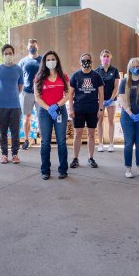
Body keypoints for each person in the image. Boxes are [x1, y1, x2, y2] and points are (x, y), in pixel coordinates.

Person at [34, 50, 70, 180]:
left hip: (60, 110)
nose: (51, 62)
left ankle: (63, 170)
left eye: (53, 59)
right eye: (48, 60)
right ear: (44, 62)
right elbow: (37, 97)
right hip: (44, 112)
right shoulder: (39, 77)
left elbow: (68, 94)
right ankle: (45, 170)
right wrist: (49, 108)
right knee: (45, 142)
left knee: (61, 142)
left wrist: (57, 105)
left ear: (57, 61)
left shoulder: (64, 76)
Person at [69, 53, 104, 169]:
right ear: (80, 62)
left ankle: (91, 158)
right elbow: (70, 94)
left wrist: (100, 109)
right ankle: (75, 158)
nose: (86, 62)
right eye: (84, 60)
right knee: (77, 134)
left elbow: (101, 94)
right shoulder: (75, 76)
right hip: (78, 109)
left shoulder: (96, 76)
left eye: (88, 60)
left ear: (92, 61)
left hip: (92, 110)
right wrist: (71, 108)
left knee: (91, 134)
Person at [0, 44, 24, 164]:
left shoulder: (18, 69)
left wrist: (12, 95)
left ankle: (15, 154)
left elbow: (20, 87)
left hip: (15, 106)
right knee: (2, 132)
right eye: (6, 53)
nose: (8, 55)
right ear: (2, 55)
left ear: (13, 54)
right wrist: (3, 95)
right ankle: (4, 155)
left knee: (15, 132)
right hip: (1, 106)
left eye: (10, 53)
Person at [18, 38, 42, 150]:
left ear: (38, 47)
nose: (33, 48)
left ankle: (44, 140)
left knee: (42, 117)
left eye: (34, 46)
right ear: (28, 48)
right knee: (27, 117)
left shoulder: (43, 60)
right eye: (31, 46)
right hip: (27, 93)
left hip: (40, 94)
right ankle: (26, 140)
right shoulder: (23, 62)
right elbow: (18, 77)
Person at [96, 49, 120, 153]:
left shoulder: (114, 71)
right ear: (100, 58)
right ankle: (100, 144)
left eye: (107, 56)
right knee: (100, 121)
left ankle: (111, 144)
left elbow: (116, 87)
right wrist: (100, 100)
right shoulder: (96, 71)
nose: (106, 58)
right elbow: (96, 87)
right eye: (104, 56)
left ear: (110, 58)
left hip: (111, 100)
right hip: (100, 100)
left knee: (111, 121)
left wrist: (110, 99)